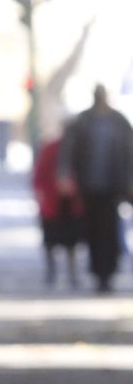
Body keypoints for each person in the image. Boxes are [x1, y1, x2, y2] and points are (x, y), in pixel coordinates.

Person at [58, 85, 133, 293]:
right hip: (88, 186)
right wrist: (64, 175)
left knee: (110, 230)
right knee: (92, 230)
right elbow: (68, 150)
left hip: (113, 187)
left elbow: (129, 150)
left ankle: (108, 272)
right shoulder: (83, 121)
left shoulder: (119, 121)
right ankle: (98, 272)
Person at [31, 127, 83, 288]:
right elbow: (39, 174)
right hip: (52, 203)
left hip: (70, 204)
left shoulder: (79, 150)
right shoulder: (50, 148)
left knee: (71, 243)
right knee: (50, 241)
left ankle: (72, 274)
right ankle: (51, 273)